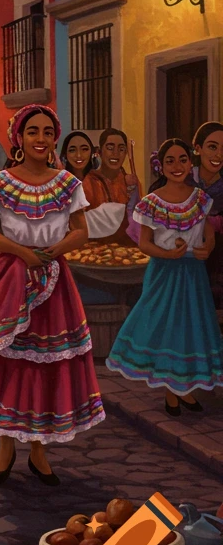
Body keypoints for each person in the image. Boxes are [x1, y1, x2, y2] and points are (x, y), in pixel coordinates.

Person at [0, 104, 103, 488]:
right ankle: (5, 446)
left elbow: (81, 230)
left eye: (48, 132)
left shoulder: (66, 183)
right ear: (19, 138)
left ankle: (38, 451)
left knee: (46, 364)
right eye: (34, 132)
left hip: (53, 281)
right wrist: (24, 253)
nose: (41, 139)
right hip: (10, 278)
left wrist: (52, 250)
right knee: (9, 361)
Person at [106, 139, 223, 413]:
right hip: (164, 273)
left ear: (190, 163)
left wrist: (206, 249)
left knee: (190, 327)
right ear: (161, 166)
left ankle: (185, 389)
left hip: (193, 274)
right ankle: (172, 392)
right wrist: (168, 254)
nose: (177, 166)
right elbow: (144, 243)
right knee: (167, 327)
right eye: (170, 160)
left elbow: (208, 235)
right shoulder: (151, 204)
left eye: (182, 159)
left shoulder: (201, 200)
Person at [83, 128, 141, 244]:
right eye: (110, 148)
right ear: (99, 152)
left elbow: (138, 218)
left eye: (121, 149)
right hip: (95, 247)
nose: (115, 153)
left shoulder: (131, 182)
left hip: (127, 247)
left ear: (126, 153)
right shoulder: (89, 181)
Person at [191, 122, 223, 311]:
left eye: (222, 149)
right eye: (212, 147)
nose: (218, 154)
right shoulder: (184, 179)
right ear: (198, 149)